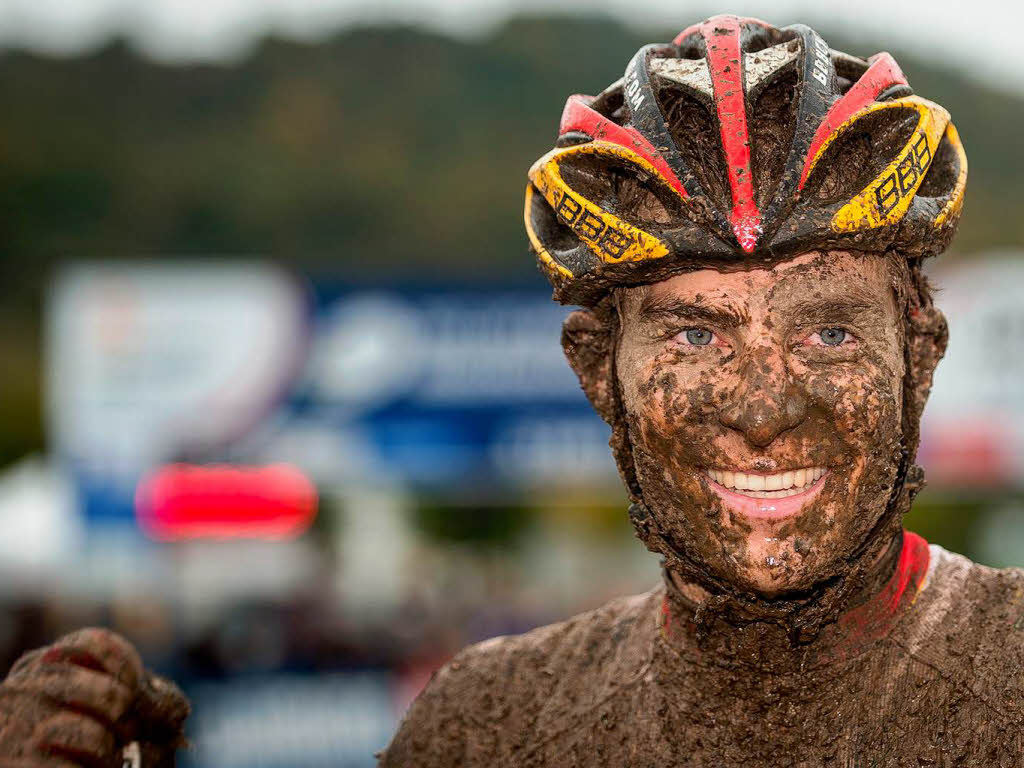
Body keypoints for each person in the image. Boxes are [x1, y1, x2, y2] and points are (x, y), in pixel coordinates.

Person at [379, 14, 1024, 767]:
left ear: (920, 355)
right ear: (596, 372)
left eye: (829, 335)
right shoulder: (486, 731)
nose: (762, 410)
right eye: (695, 336)